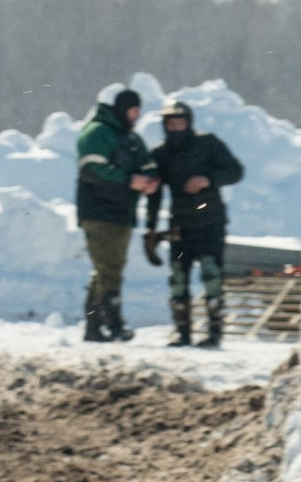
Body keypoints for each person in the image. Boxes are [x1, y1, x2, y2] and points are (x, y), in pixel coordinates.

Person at [144, 97, 246, 349]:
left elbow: (235, 171)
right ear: (165, 126)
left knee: (211, 275)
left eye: (180, 123)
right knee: (178, 278)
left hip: (210, 220)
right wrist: (150, 226)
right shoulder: (160, 153)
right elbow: (154, 193)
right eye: (171, 124)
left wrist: (208, 179)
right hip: (179, 223)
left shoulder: (207, 143)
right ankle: (182, 332)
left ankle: (214, 333)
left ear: (189, 123)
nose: (176, 128)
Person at [75, 86, 155, 343]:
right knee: (109, 269)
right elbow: (93, 170)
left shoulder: (131, 138)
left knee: (108, 269)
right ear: (120, 109)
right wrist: (128, 180)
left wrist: (150, 179)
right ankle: (114, 323)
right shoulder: (97, 133)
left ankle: (93, 325)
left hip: (122, 211)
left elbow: (147, 163)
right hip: (98, 211)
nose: (136, 115)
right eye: (133, 110)